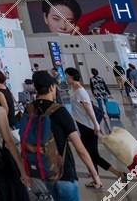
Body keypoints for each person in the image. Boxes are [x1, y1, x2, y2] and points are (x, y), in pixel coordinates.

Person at [25, 70, 103, 198]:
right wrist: (95, 175)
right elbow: (80, 149)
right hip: (64, 172)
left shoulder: (29, 109)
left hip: (44, 170)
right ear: (51, 87)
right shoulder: (59, 111)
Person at [64, 68, 121, 180]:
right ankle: (96, 179)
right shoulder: (74, 90)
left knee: (93, 156)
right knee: (91, 155)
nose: (65, 78)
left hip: (88, 127)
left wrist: (96, 124)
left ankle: (118, 174)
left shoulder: (80, 92)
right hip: (83, 126)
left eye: (66, 75)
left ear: (71, 77)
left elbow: (88, 108)